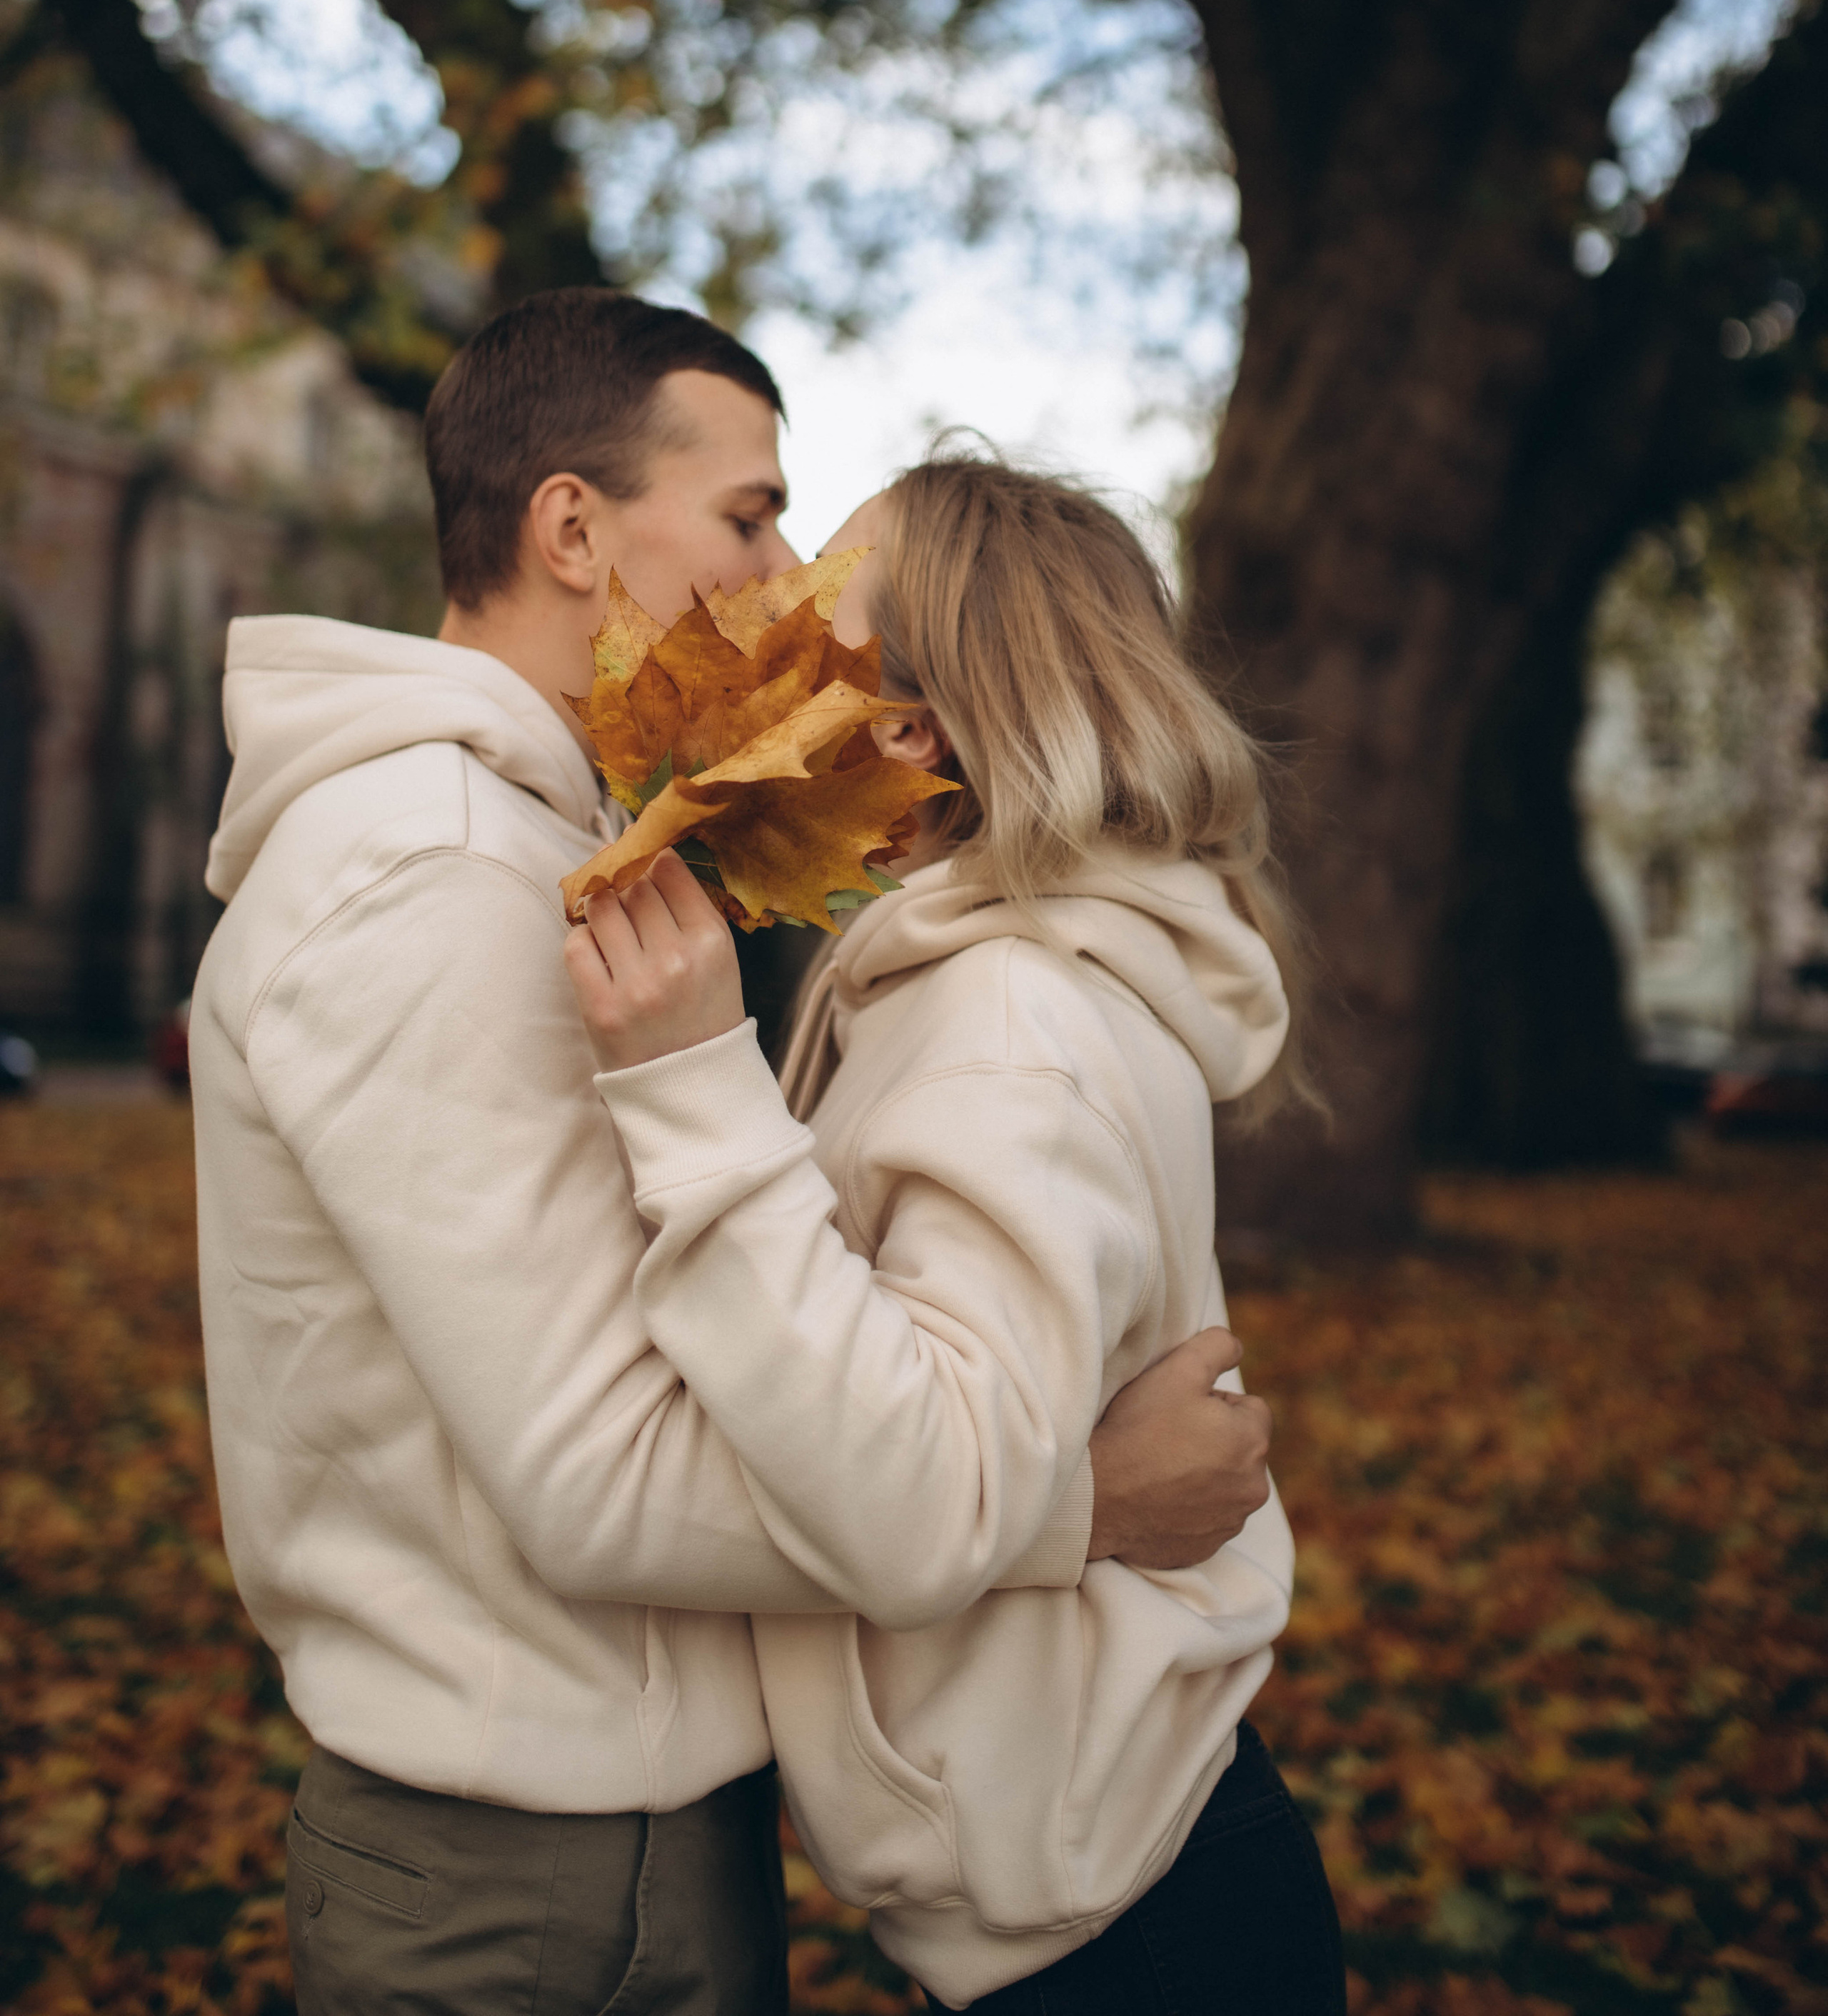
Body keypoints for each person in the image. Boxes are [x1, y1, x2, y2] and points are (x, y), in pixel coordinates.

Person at [189, 292, 1280, 2016]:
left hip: (623, 1828)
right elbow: (604, 1469)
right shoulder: (439, 871)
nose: (782, 595)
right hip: (541, 1853)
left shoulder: (555, 848)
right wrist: (1069, 1499)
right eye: (752, 517)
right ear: (569, 527)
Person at [566, 453, 1349, 2014]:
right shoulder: (990, 976)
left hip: (1125, 1933)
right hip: (1104, 1884)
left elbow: (921, 1502)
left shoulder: (1006, 1019)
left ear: (908, 727)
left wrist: (687, 1090)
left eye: (816, 620)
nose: (764, 624)